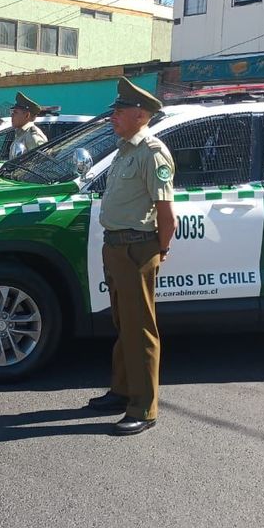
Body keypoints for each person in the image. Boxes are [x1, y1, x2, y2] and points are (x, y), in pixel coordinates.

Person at [87, 78, 176, 437]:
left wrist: (160, 250)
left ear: (141, 114)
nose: (114, 116)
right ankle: (122, 390)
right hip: (116, 247)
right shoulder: (125, 150)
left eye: (121, 111)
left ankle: (143, 407)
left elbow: (166, 214)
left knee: (140, 329)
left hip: (137, 248)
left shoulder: (152, 153)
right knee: (124, 323)